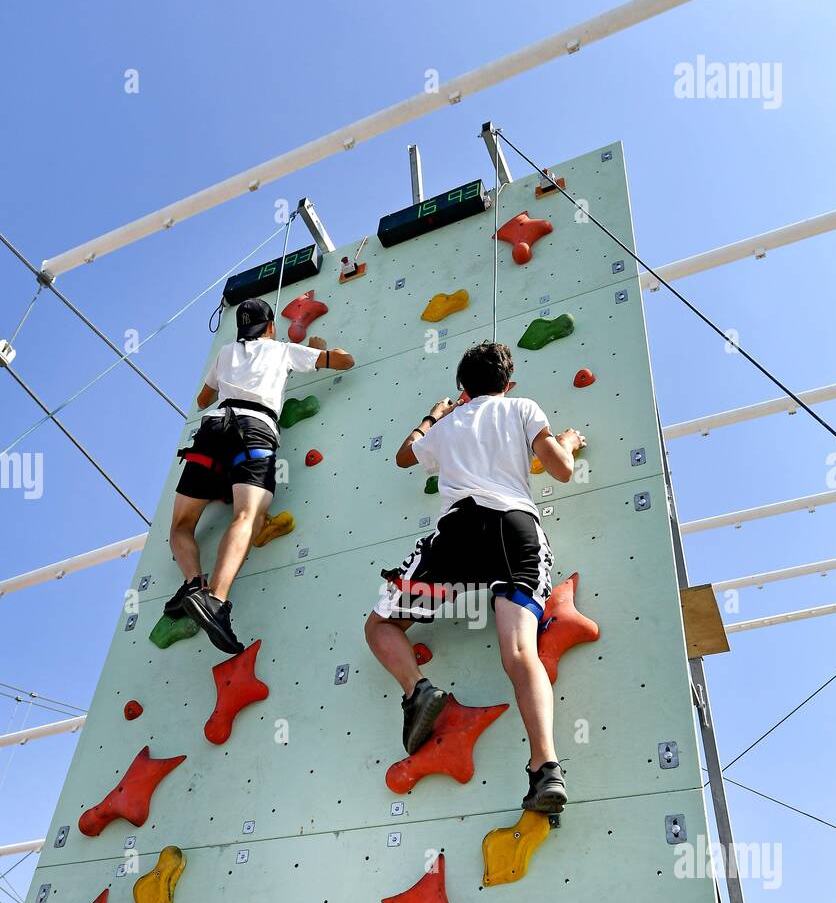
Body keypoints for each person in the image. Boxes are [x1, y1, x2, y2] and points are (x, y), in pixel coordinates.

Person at [365, 340, 584, 814]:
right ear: (509, 385)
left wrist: (434, 415)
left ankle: (418, 691)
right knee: (521, 652)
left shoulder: (447, 424)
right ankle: (545, 767)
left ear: (463, 389)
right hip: (515, 533)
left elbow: (405, 456)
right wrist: (566, 441)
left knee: (380, 625)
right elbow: (562, 470)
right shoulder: (522, 408)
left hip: (459, 538)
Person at [165, 297, 355, 654]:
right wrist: (318, 350)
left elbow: (203, 400)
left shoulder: (225, 353)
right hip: (254, 430)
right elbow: (347, 361)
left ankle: (193, 583)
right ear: (271, 327)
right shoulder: (283, 350)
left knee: (180, 526)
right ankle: (215, 600)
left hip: (212, 430)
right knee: (247, 515)